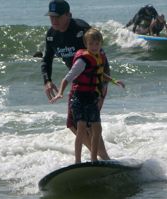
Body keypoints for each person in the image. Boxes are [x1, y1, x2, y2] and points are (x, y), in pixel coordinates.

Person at [41, 0, 111, 160]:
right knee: (73, 124)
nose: (54, 20)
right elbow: (47, 59)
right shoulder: (52, 35)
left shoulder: (81, 30)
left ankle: (104, 159)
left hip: (95, 81)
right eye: (51, 16)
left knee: (89, 123)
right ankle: (102, 158)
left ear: (68, 15)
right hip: (78, 83)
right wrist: (47, 81)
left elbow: (101, 57)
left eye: (57, 16)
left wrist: (102, 89)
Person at [50, 28, 125, 163]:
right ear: (86, 44)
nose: (94, 47)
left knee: (97, 128)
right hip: (79, 97)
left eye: (97, 44)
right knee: (82, 128)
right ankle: (77, 161)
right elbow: (67, 78)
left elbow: (100, 74)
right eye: (91, 44)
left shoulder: (98, 57)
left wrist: (114, 81)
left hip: (91, 97)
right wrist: (60, 92)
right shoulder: (82, 61)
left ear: (101, 44)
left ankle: (93, 160)